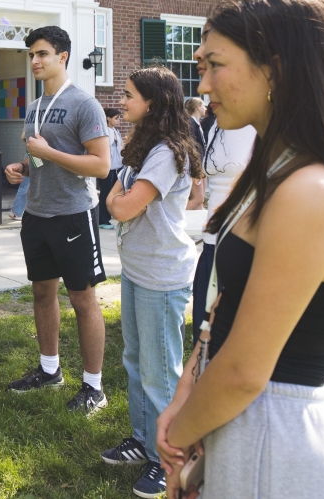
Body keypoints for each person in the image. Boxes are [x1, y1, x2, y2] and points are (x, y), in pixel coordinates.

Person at [156, 0, 324, 499]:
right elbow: (223, 312)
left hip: (278, 451)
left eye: (216, 64)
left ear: (276, 70)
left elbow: (245, 370)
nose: (203, 83)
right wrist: (185, 395)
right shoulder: (273, 173)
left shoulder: (311, 190)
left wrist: (177, 438)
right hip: (241, 431)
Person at [100, 67, 204, 499]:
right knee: (135, 361)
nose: (121, 101)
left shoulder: (164, 152)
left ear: (153, 102)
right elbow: (119, 200)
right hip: (138, 268)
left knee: (161, 374)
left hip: (163, 274)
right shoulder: (142, 145)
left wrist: (115, 197)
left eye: (128, 95)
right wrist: (116, 197)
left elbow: (121, 208)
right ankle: (144, 442)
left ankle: (171, 458)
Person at [3, 26, 111, 412]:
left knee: (82, 299)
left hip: (72, 215)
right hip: (37, 213)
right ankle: (50, 371)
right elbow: (40, 159)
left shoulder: (85, 104)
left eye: (42, 54)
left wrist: (47, 153)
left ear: (62, 57)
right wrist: (24, 167)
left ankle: (94, 387)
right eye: (32, 54)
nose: (35, 61)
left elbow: (100, 166)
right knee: (42, 292)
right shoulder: (34, 107)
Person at [191, 106, 257, 334]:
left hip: (244, 248)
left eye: (215, 69)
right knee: (205, 334)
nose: (204, 86)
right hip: (213, 243)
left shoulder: (267, 121)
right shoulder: (217, 124)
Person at [97, 107, 123, 229]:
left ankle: (107, 217)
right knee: (105, 193)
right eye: (116, 118)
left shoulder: (115, 131)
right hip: (108, 167)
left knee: (113, 193)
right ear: (108, 118)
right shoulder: (105, 131)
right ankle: (102, 219)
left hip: (116, 166)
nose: (119, 121)